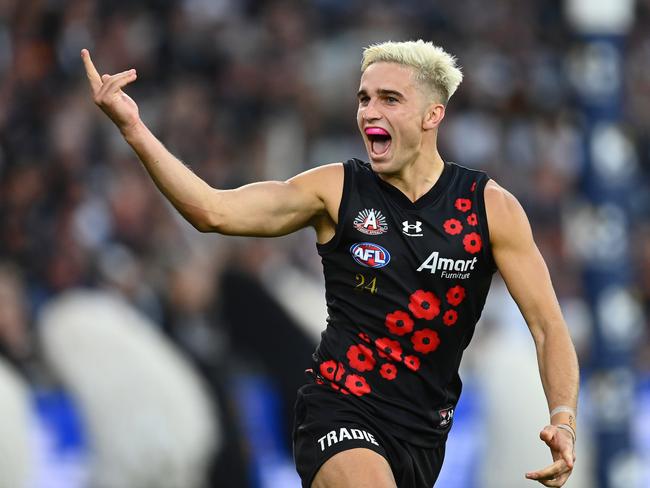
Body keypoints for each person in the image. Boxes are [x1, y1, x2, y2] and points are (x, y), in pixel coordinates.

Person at [82, 39, 579, 488]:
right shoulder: (335, 191)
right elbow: (213, 211)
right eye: (364, 98)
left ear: (433, 115)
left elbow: (547, 327)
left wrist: (562, 419)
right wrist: (134, 130)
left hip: (424, 437)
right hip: (338, 406)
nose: (368, 112)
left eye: (389, 99)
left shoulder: (489, 208)